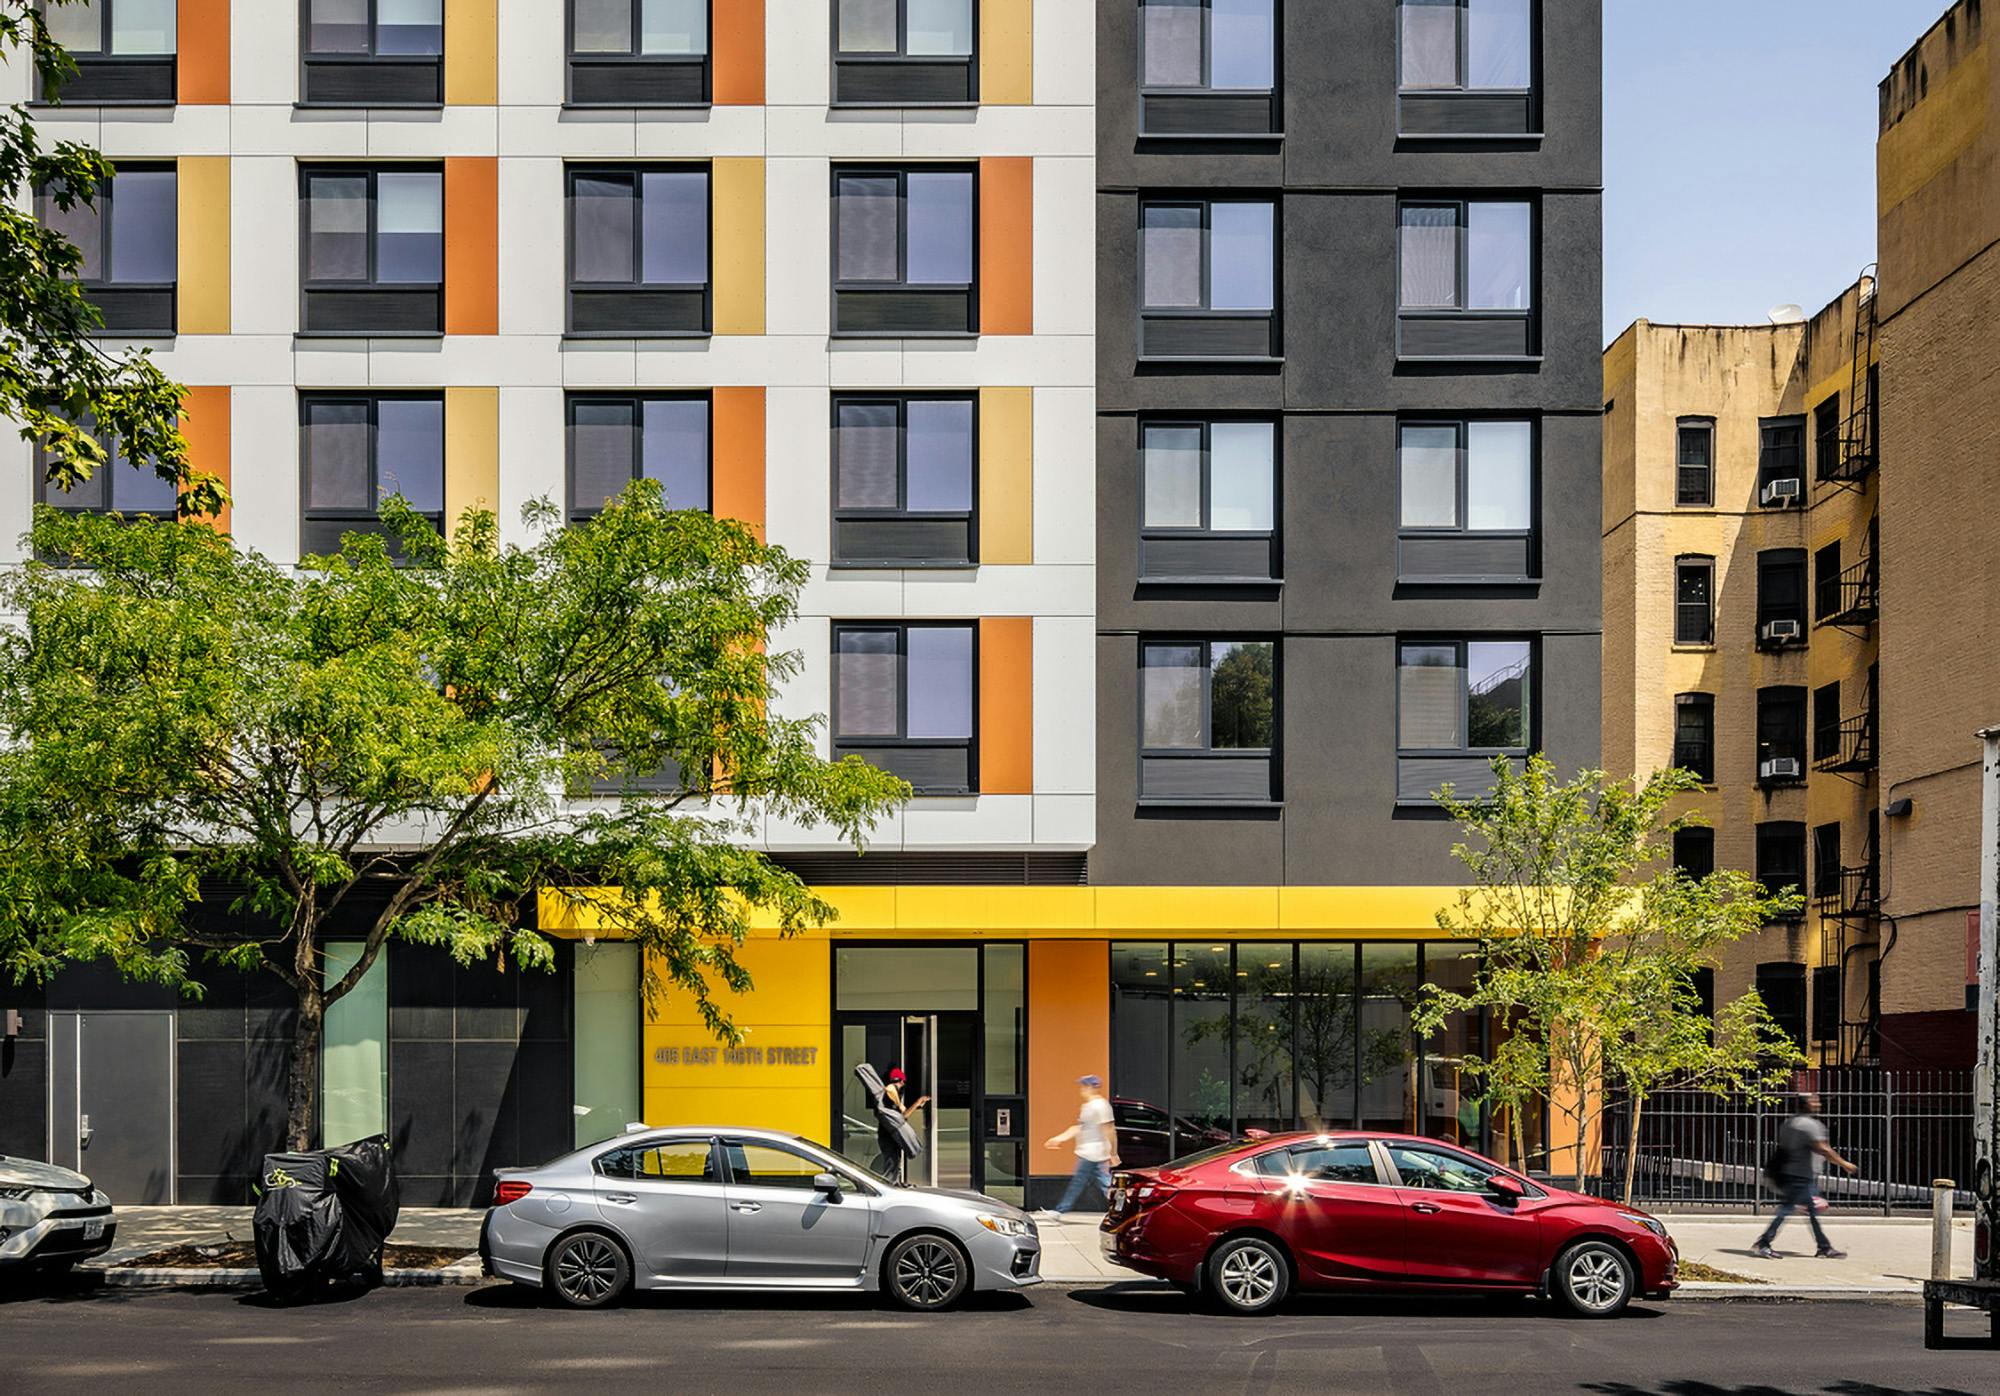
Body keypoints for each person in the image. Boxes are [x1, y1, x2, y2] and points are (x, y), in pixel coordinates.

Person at [1752, 1092, 1859, 1259]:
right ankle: (1763, 1242)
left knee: (1810, 1211)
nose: (1818, 1104)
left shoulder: (1789, 1123)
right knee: (1787, 1209)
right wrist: (1844, 1164)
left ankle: (1824, 1247)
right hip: (1800, 1175)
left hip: (1792, 1173)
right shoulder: (1809, 1125)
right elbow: (1823, 1149)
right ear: (1805, 1104)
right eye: (1814, 1101)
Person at [1037, 1075, 1119, 1221]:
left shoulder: (1101, 1106)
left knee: (1082, 1183)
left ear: (1091, 1087)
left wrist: (1113, 1153)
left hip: (1095, 1152)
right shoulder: (1087, 1107)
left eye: (1084, 1086)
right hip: (1088, 1152)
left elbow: (1109, 1129)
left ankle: (1060, 1211)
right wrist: (1059, 1138)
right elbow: (1079, 1128)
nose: (1081, 1089)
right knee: (1102, 1183)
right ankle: (1121, 1207)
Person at [873, 1067, 928, 1183]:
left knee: (895, 1162)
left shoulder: (891, 1099)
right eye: (902, 1083)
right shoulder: (890, 1096)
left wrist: (914, 1105)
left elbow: (904, 1114)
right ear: (901, 1081)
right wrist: (916, 1102)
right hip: (888, 1136)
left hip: (892, 1135)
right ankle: (889, 1186)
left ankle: (895, 1184)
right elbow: (890, 1089)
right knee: (892, 1163)